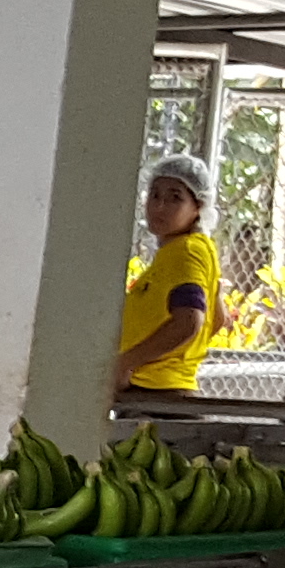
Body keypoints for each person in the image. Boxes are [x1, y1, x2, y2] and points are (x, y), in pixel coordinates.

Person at [115, 156, 221, 400]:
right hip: (168, 388)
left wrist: (125, 363)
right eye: (154, 195)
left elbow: (189, 321)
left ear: (198, 207)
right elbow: (217, 318)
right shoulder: (197, 248)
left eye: (175, 198)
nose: (160, 206)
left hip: (156, 391)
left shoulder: (185, 252)